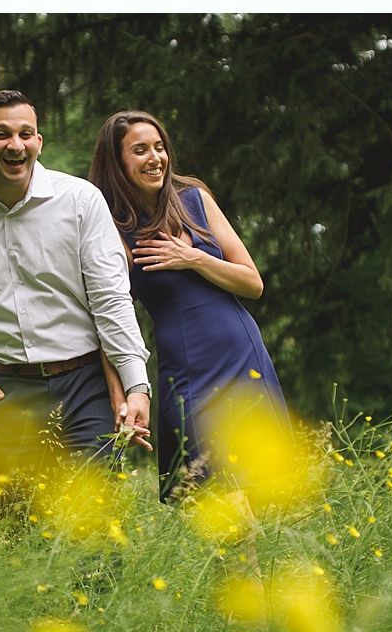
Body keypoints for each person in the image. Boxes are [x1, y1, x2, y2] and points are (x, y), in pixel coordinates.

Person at [0, 91, 152, 488]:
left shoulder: (80, 200)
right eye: (2, 134)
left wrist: (136, 386)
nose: (15, 145)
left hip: (87, 388)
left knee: (97, 523)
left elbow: (111, 298)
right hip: (8, 393)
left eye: (25, 134)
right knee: (21, 531)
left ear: (39, 142)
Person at [88, 110, 288, 502]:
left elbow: (253, 282)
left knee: (258, 486)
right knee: (210, 490)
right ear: (117, 162)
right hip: (186, 369)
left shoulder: (194, 199)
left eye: (159, 147)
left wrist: (193, 258)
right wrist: (122, 393)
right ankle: (240, 566)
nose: (155, 158)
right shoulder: (111, 226)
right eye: (140, 150)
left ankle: (254, 565)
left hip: (240, 353)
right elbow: (105, 315)